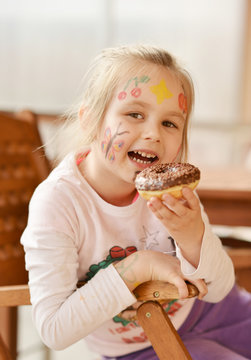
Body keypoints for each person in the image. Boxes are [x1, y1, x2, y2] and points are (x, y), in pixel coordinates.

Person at [21, 44, 251, 360]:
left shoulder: (171, 189)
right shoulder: (59, 203)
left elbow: (221, 288)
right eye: (134, 114)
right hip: (145, 343)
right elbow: (53, 329)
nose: (153, 133)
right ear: (91, 121)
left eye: (170, 123)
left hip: (223, 313)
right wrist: (137, 267)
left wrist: (192, 235)